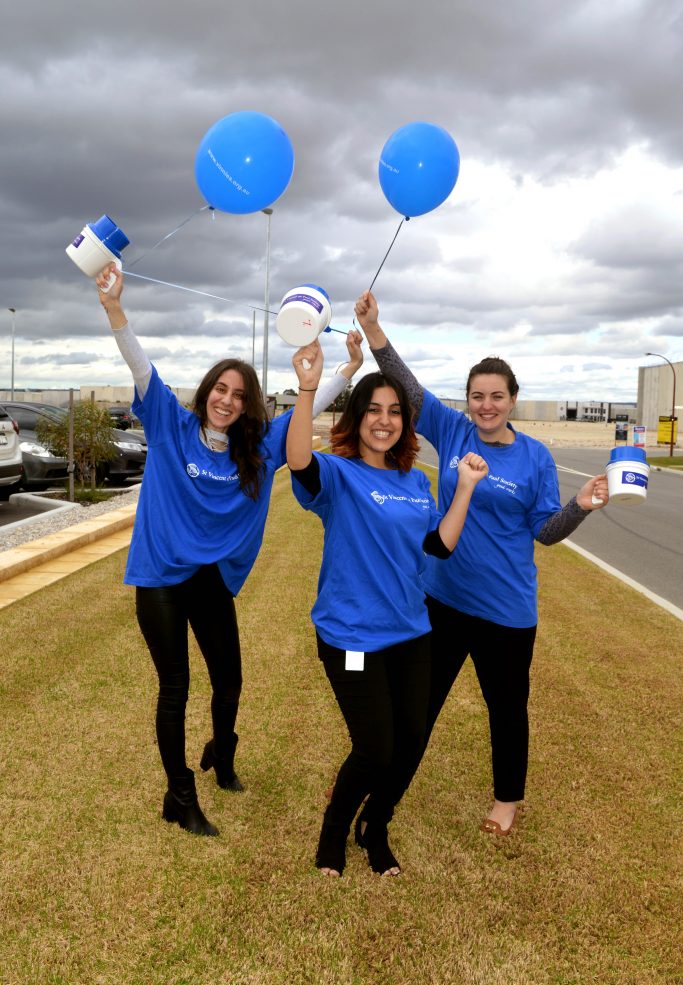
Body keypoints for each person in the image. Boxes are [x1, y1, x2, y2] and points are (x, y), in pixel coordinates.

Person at [95, 264, 361, 837]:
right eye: (221, 389)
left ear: (248, 406)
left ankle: (224, 752)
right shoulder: (170, 422)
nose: (227, 400)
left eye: (239, 396)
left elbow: (304, 416)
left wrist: (348, 368)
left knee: (231, 682)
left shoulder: (257, 447)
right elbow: (139, 365)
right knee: (175, 686)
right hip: (161, 576)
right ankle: (179, 795)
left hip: (211, 580)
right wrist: (116, 308)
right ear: (208, 390)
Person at [354, 290, 610, 837]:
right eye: (477, 396)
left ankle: (507, 801)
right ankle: (371, 783)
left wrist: (580, 507)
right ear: (467, 400)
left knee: (506, 709)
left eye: (496, 396)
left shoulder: (535, 456)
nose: (486, 406)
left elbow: (544, 532)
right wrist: (375, 330)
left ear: (513, 400)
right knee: (414, 707)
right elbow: (406, 384)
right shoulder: (452, 431)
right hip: (441, 598)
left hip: (506, 611)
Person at [286, 336, 488, 876]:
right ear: (357, 416)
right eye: (374, 409)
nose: (385, 419)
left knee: (409, 746)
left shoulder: (415, 482)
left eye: (395, 411)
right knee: (375, 748)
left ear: (406, 423)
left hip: (411, 632)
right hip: (351, 634)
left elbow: (437, 545)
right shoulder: (338, 474)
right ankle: (334, 828)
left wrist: (464, 487)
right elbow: (298, 459)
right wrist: (309, 390)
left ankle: (375, 826)